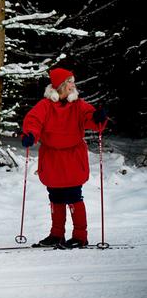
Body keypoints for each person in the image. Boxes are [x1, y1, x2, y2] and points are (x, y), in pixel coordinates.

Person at [20, 68, 107, 248]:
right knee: (56, 196)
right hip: (52, 158)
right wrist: (30, 135)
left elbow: (90, 117)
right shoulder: (45, 106)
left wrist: (97, 117)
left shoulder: (78, 105)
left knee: (74, 196)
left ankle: (80, 237)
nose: (72, 85)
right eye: (69, 81)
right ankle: (56, 234)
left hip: (73, 157)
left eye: (72, 81)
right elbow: (33, 121)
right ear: (60, 85)